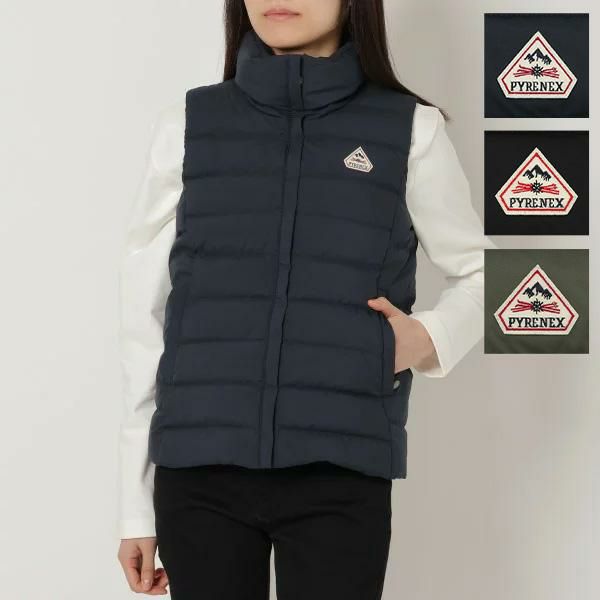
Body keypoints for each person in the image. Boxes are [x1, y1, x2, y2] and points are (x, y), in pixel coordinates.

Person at [117, 0, 495, 597]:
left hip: (340, 475)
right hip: (198, 474)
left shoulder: (410, 130)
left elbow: (492, 274)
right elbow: (145, 321)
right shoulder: (188, 125)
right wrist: (135, 506)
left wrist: (428, 339)